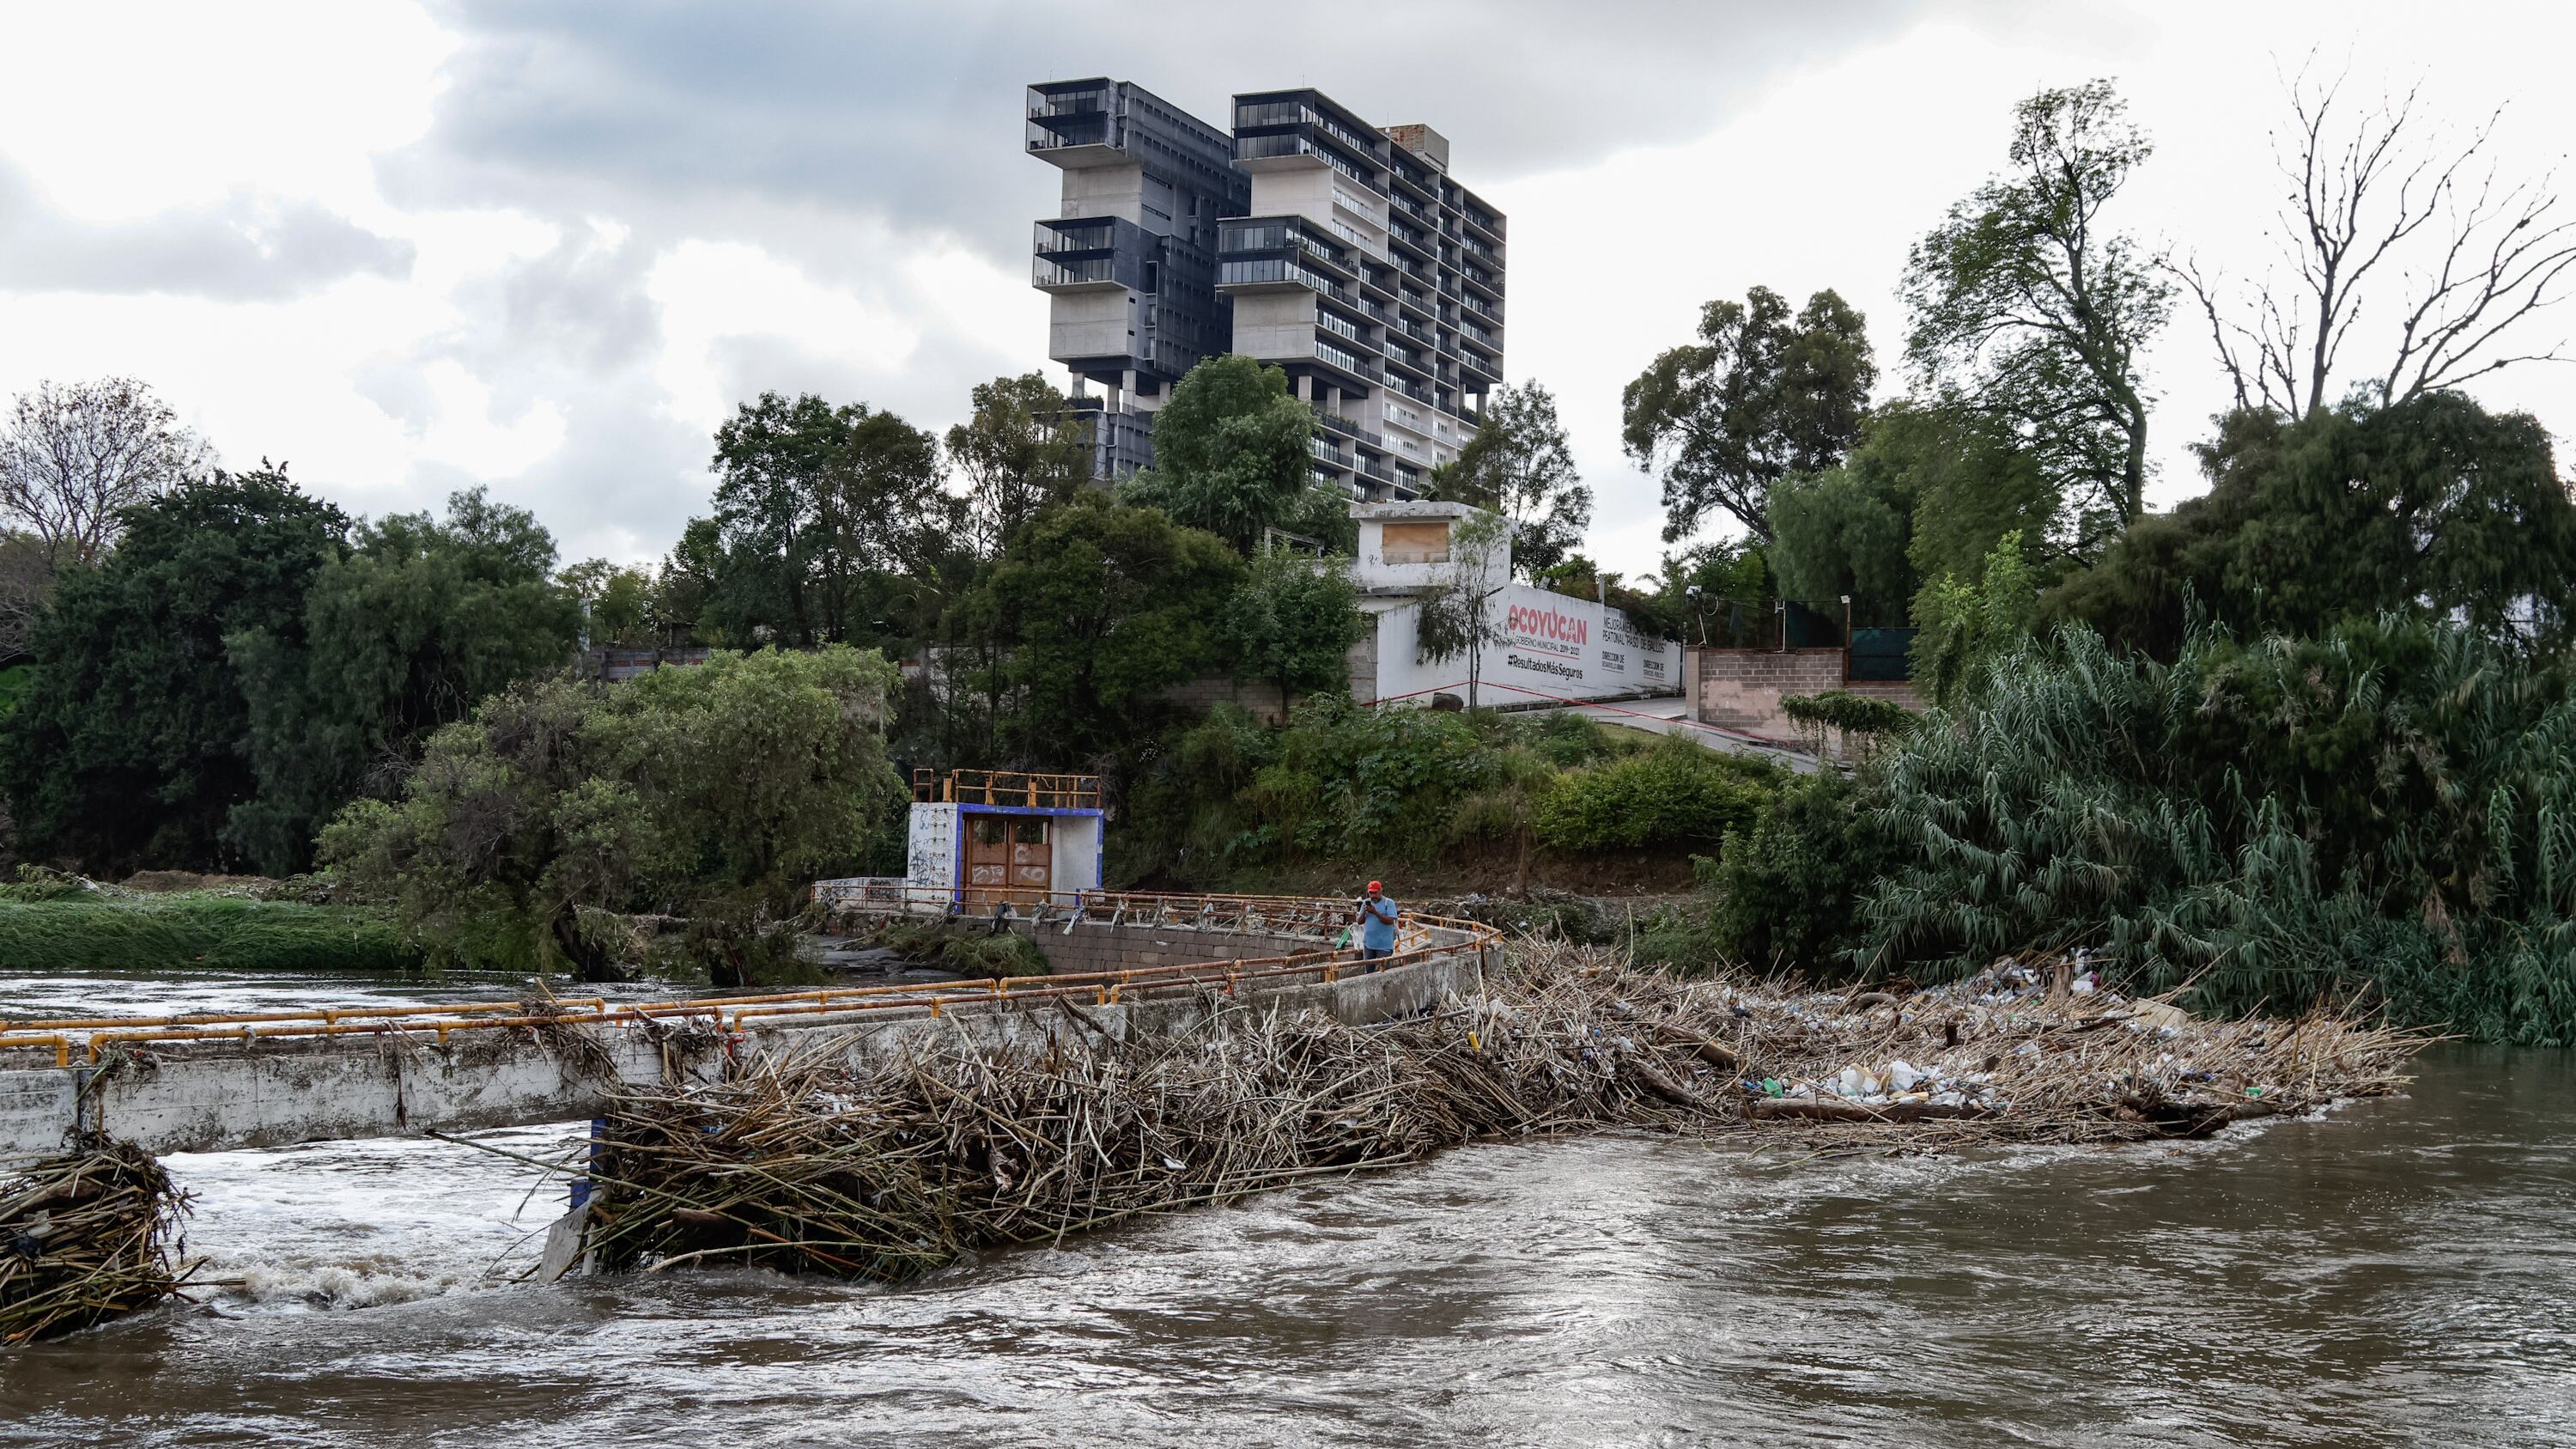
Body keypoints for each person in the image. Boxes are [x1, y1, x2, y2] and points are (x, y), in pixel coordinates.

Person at [1356, 880, 1399, 967]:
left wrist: (1375, 912)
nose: (1373, 895)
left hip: (1384, 946)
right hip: (1369, 944)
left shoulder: (1389, 903)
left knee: (1383, 971)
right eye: (1371, 893)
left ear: (1380, 891)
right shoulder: (1365, 903)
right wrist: (1364, 912)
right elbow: (1359, 922)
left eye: (1375, 893)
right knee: (1368, 972)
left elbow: (1390, 921)